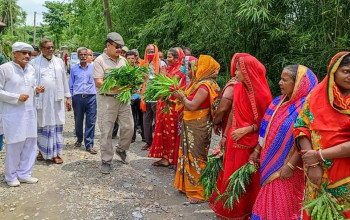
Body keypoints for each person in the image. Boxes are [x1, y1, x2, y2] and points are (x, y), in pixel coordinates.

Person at [249, 65, 318, 220]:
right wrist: (256, 151)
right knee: (267, 199)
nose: (280, 82)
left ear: (299, 84)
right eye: (281, 79)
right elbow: (266, 129)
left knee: (284, 206)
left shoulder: (306, 107)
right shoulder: (278, 102)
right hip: (268, 162)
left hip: (290, 168)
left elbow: (305, 138)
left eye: (284, 80)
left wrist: (290, 165)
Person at [209, 54, 272, 219]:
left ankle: (246, 212)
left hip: (250, 144)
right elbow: (233, 113)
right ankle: (229, 210)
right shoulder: (237, 88)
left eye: (238, 69)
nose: (235, 72)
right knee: (230, 177)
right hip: (233, 140)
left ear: (247, 71)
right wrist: (225, 135)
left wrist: (246, 130)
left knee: (246, 181)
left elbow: (268, 123)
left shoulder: (263, 95)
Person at [294, 52, 350, 219]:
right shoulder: (316, 96)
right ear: (333, 71)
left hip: (345, 172)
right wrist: (313, 165)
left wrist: (318, 156)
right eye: (346, 71)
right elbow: (301, 126)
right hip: (316, 173)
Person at [173, 55, 219, 203]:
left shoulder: (205, 86)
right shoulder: (200, 83)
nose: (196, 68)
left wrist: (181, 97)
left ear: (206, 68)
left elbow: (192, 105)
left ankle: (200, 193)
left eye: (199, 65)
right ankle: (188, 187)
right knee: (188, 155)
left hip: (198, 126)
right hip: (192, 123)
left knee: (196, 157)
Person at [0, 42, 45, 186]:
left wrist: (36, 90)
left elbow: (30, 88)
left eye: (29, 53)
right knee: (14, 144)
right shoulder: (4, 69)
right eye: (23, 53)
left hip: (30, 112)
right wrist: (16, 97)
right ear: (14, 53)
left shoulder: (31, 69)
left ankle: (24, 173)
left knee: (30, 142)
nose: (27, 56)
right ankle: (11, 176)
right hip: (13, 113)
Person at [93, 32, 134, 174]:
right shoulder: (99, 61)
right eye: (117, 46)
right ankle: (106, 160)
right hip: (107, 99)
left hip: (123, 98)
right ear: (108, 45)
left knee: (129, 127)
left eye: (121, 47)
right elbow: (99, 82)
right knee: (106, 130)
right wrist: (120, 87)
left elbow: (129, 78)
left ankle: (121, 149)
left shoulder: (123, 60)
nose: (120, 50)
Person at [31, 38, 72, 164]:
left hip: (56, 100)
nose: (51, 50)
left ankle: (56, 153)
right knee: (42, 124)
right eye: (48, 48)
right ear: (41, 49)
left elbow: (64, 80)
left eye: (52, 47)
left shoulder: (59, 62)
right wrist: (34, 89)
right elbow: (30, 81)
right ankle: (42, 151)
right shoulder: (34, 63)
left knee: (56, 124)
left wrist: (68, 97)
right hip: (42, 100)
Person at [148, 47, 185, 166]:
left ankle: (171, 158)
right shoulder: (168, 68)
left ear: (177, 58)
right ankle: (164, 157)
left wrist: (163, 75)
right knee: (162, 130)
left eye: (170, 57)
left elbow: (171, 85)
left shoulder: (181, 70)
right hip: (163, 104)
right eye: (167, 56)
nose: (167, 59)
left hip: (172, 106)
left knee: (171, 132)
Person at [69, 47, 97, 154]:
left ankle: (89, 144)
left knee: (91, 121)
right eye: (81, 54)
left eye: (85, 54)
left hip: (91, 97)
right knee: (78, 120)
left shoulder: (93, 68)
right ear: (78, 56)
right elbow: (71, 85)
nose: (83, 56)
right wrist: (70, 98)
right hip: (78, 97)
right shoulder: (74, 69)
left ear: (88, 55)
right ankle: (79, 139)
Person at [213, 53, 249, 136]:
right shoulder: (251, 84)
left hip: (232, 127)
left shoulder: (233, 84)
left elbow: (223, 108)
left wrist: (216, 122)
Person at [139, 44, 163, 150]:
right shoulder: (144, 64)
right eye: (148, 52)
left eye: (152, 51)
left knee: (156, 119)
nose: (150, 54)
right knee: (146, 119)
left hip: (156, 95)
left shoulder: (161, 63)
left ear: (156, 52)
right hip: (146, 95)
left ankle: (157, 143)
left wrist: (150, 77)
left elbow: (162, 78)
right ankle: (148, 142)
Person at [126, 50, 145, 143]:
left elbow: (143, 81)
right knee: (131, 117)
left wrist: (140, 89)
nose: (130, 60)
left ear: (135, 59)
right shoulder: (124, 70)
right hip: (129, 96)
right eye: (128, 58)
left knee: (142, 117)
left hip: (139, 96)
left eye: (132, 58)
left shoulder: (139, 69)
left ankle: (144, 136)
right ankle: (132, 137)